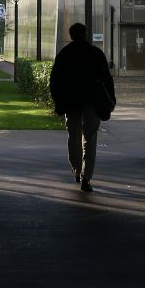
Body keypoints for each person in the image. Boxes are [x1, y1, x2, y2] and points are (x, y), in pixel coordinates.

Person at [49, 23, 115, 193]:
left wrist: (58, 102)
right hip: (92, 101)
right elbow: (107, 79)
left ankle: (77, 170)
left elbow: (55, 80)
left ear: (71, 35)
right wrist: (111, 101)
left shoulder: (65, 54)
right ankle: (87, 177)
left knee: (74, 137)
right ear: (85, 34)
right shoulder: (95, 53)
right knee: (90, 139)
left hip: (71, 102)